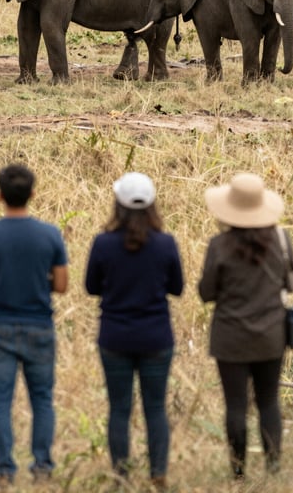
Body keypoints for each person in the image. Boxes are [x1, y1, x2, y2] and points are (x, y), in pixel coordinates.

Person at [0, 164, 69, 487]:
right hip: (38, 324)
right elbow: (63, 284)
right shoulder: (50, 233)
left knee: (0, 400)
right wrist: (39, 282)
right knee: (41, 399)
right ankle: (42, 466)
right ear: (33, 195)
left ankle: (4, 468)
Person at [85, 172, 184, 490]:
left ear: (118, 204)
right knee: (155, 408)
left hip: (115, 336)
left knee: (119, 409)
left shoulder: (103, 243)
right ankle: (158, 473)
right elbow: (177, 288)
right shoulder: (165, 243)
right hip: (156, 336)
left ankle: (121, 475)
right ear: (153, 205)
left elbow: (91, 287)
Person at [199, 172, 293, 479]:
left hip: (230, 337)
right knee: (268, 402)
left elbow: (206, 292)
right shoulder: (281, 240)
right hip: (271, 335)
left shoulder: (219, 245)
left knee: (236, 405)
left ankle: (238, 472)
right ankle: (274, 467)